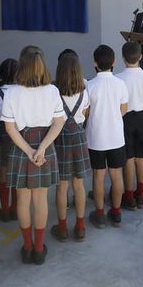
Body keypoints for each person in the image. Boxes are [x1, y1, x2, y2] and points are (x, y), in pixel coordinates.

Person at [2, 46, 66, 265]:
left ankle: (27, 246)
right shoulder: (52, 91)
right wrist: (41, 148)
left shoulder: (12, 92)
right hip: (44, 145)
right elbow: (58, 123)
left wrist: (28, 150)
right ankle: (39, 248)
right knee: (40, 199)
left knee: (23, 199)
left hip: (21, 146)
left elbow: (9, 128)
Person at [85, 44, 128, 228]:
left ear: (94, 63)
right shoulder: (120, 83)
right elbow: (124, 109)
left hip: (96, 138)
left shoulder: (90, 85)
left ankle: (100, 214)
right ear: (114, 62)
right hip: (116, 137)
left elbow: (86, 112)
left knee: (98, 175)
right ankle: (116, 213)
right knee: (116, 174)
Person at [51, 49, 90, 242]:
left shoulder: (53, 90)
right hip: (79, 137)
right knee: (79, 184)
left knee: (62, 186)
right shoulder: (84, 88)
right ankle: (80, 226)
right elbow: (86, 112)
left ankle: (62, 227)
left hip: (60, 138)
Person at [117, 41, 143, 211]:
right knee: (141, 157)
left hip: (125, 118)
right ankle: (141, 194)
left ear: (123, 58)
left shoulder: (119, 78)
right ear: (140, 57)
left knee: (129, 158)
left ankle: (129, 196)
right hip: (141, 116)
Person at [0, 58, 18, 223]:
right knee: (16, 171)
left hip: (1, 132)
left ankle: (5, 209)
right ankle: (15, 208)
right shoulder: (21, 91)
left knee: (3, 171)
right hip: (18, 132)